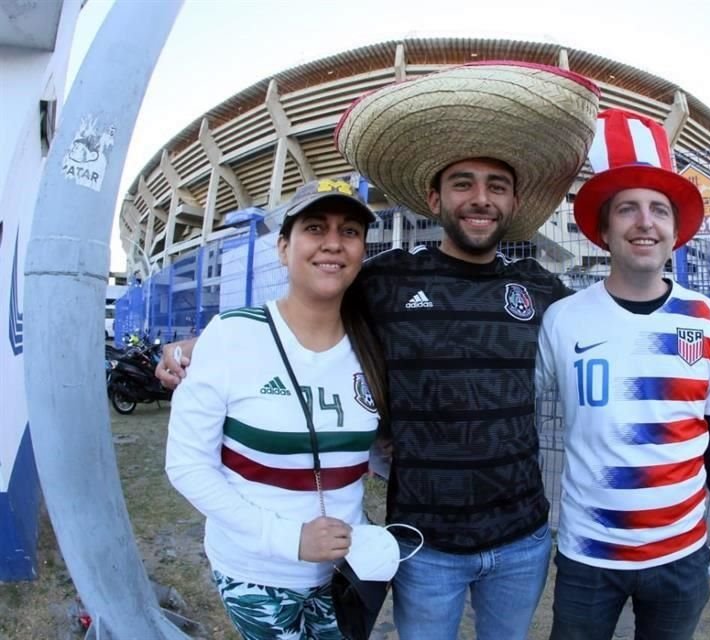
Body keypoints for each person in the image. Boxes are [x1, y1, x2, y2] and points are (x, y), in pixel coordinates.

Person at [160, 62, 601, 640]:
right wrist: (197, 342)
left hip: (522, 537)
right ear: (433, 196)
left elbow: (607, 323)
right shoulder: (386, 280)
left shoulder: (539, 287)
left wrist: (683, 313)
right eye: (463, 183)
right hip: (424, 543)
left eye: (497, 186)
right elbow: (309, 304)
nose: (480, 198)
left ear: (512, 201)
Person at [537, 109, 710, 640]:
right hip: (588, 554)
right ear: (604, 229)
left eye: (659, 209)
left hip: (682, 554)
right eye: (628, 209)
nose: (645, 222)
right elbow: (517, 413)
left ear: (674, 229)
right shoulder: (563, 318)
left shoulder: (704, 316)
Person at [165, 179, 388, 639]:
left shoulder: (374, 344)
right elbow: (187, 464)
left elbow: (374, 452)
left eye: (349, 231)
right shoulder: (231, 336)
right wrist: (289, 539)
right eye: (314, 228)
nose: (333, 243)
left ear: (362, 251)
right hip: (256, 572)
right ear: (283, 249)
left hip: (344, 573)